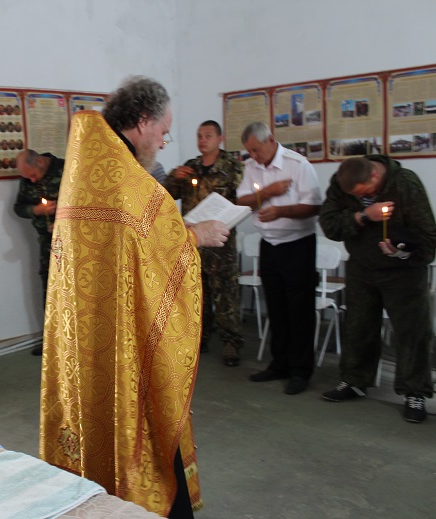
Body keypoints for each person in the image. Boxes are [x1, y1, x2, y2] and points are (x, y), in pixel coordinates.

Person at [39, 76, 229, 518]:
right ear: (143, 121)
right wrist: (197, 235)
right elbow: (158, 246)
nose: (163, 141)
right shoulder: (129, 181)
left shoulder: (87, 168)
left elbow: (130, 243)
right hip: (123, 336)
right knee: (142, 416)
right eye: (163, 130)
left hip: (82, 332)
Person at [319, 156, 436, 423]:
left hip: (404, 272)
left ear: (374, 175)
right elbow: (330, 225)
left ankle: (415, 392)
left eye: (365, 193)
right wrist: (363, 215)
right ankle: (355, 381)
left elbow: (429, 238)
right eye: (356, 197)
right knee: (358, 326)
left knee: (412, 331)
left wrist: (402, 252)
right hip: (362, 266)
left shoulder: (405, 184)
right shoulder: (342, 183)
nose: (362, 198)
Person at [236, 122, 322, 395]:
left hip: (298, 245)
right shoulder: (251, 167)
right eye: (250, 151)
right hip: (269, 244)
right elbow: (241, 201)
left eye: (257, 150)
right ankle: (279, 363)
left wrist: (281, 211)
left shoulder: (298, 165)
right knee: (276, 308)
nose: (254, 156)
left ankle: (300, 370)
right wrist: (268, 192)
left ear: (271, 140)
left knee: (299, 310)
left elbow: (314, 206)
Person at [164, 120, 245, 366]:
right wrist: (173, 177)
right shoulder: (191, 167)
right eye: (199, 136)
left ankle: (231, 342)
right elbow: (168, 195)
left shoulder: (232, 166)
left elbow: (242, 198)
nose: (202, 140)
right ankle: (201, 337)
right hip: (195, 240)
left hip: (221, 241)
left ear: (220, 139)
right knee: (197, 292)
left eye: (208, 135)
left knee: (226, 294)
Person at [13, 149, 65, 356]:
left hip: (73, 243)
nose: (32, 180)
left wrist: (63, 220)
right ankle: (52, 341)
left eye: (33, 175)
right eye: (28, 178)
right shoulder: (28, 179)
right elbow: (18, 207)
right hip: (46, 242)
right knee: (49, 289)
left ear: (41, 162)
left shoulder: (67, 169)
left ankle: (75, 340)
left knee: (73, 288)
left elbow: (86, 202)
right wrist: (36, 210)